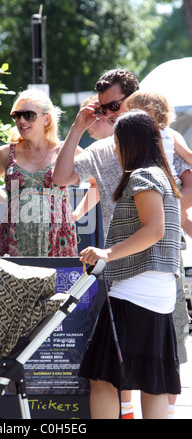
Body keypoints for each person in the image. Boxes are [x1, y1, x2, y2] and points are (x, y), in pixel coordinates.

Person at [52, 68, 192, 418]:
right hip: (145, 276)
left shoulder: (156, 156)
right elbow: (59, 178)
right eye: (102, 109)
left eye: (114, 107)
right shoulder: (144, 160)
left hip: (141, 275)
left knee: (113, 374)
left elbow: (156, 227)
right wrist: (77, 128)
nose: (109, 117)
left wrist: (108, 251)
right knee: (152, 376)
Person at [78, 109, 182, 419]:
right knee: (153, 383)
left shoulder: (143, 175)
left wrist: (107, 253)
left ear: (130, 142)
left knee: (103, 380)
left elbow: (154, 229)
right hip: (158, 293)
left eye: (117, 142)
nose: (114, 149)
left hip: (135, 291)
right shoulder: (162, 174)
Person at [0, 88, 82, 257]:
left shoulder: (66, 151)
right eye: (17, 115)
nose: (21, 120)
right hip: (15, 240)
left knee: (58, 283)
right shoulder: (5, 153)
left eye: (29, 115)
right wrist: (8, 201)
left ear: (46, 119)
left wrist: (77, 214)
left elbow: (96, 182)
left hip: (58, 241)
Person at [126, 90, 192, 194]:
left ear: (151, 112)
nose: (129, 116)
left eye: (133, 112)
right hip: (165, 181)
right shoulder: (170, 133)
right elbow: (187, 155)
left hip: (158, 181)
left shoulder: (163, 133)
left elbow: (187, 155)